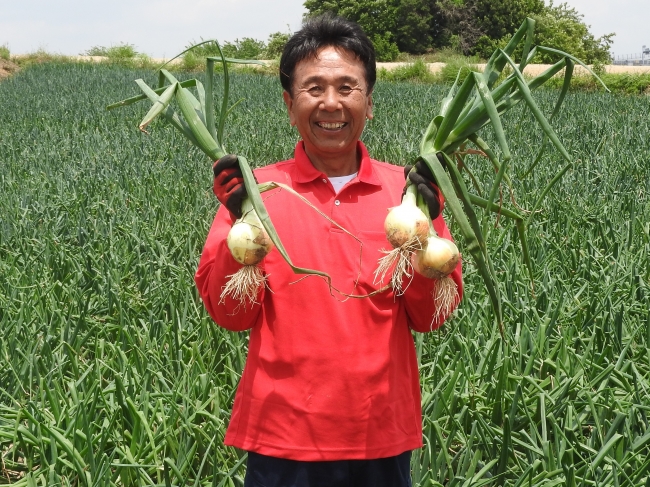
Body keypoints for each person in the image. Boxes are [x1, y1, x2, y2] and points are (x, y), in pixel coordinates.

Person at [195, 14, 463, 487]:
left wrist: (424, 242)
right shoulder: (257, 194)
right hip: (282, 437)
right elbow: (229, 314)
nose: (331, 103)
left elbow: (432, 317)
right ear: (288, 103)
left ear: (370, 102)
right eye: (314, 87)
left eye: (347, 87)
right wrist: (240, 222)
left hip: (379, 433)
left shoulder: (408, 196)